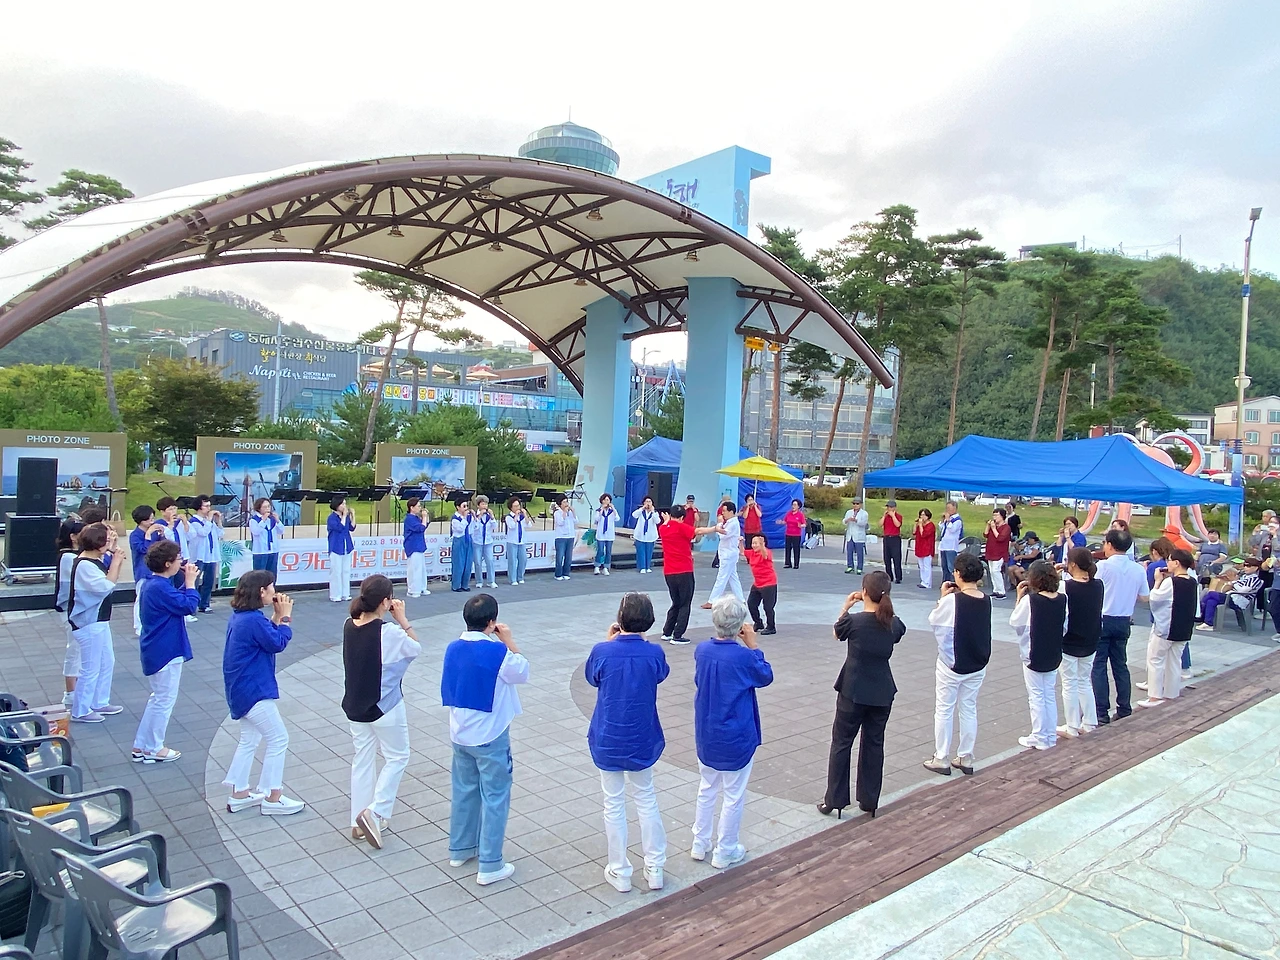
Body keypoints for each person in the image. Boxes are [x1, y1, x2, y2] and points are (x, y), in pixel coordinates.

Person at [441, 593, 530, 886]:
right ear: (492, 622)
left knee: (464, 790)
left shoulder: (453, 647)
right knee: (495, 796)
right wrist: (509, 641)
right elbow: (522, 671)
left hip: (460, 732)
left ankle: (461, 848)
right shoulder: (497, 652)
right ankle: (491, 863)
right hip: (490, 734)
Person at [585, 593, 670, 892]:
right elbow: (660, 675)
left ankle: (619, 869)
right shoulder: (654, 653)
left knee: (613, 802)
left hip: (608, 735)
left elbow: (592, 677)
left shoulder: (602, 651)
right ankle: (655, 866)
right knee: (646, 797)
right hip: (642, 735)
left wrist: (609, 641)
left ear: (619, 619)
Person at [693, 596, 774, 868]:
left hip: (707, 731)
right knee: (733, 793)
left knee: (707, 787)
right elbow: (765, 676)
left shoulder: (703, 650)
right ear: (740, 626)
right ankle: (725, 848)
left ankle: (700, 841)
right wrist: (754, 647)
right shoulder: (743, 657)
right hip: (736, 734)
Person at [342, 574, 421, 850]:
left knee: (363, 759)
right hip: (384, 705)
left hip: (354, 705)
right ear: (386, 601)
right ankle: (375, 813)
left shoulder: (349, 624)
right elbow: (415, 648)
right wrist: (403, 620)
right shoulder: (389, 632)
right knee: (398, 756)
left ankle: (357, 819)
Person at [819, 572, 906, 819]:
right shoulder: (894, 624)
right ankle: (869, 800)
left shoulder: (854, 622)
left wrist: (846, 607)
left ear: (864, 592)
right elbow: (895, 629)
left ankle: (835, 800)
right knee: (874, 744)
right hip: (882, 691)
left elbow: (837, 632)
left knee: (842, 743)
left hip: (853, 689)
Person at [222, 571, 301, 815]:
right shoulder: (253, 621)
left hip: (241, 689)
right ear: (261, 591)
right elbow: (276, 642)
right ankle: (273, 797)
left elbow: (267, 637)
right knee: (279, 739)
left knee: (250, 739)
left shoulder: (243, 617)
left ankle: (239, 792)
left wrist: (276, 617)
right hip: (254, 689)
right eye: (271, 587)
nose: (274, 592)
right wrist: (285, 618)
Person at [923, 553, 991, 777]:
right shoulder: (986, 599)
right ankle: (966, 755)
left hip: (953, 663)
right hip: (977, 661)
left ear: (959, 574)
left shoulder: (952, 601)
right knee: (968, 707)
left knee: (944, 708)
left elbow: (935, 621)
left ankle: (941, 757)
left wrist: (942, 598)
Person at [132, 540, 199, 763]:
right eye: (178, 559)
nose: (181, 562)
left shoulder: (154, 584)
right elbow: (188, 606)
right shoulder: (159, 587)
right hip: (166, 650)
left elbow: (176, 601)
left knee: (157, 698)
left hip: (158, 648)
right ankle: (154, 746)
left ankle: (142, 744)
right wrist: (190, 583)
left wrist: (186, 585)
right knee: (164, 700)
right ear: (168, 563)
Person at [67, 523, 125, 723]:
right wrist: (116, 562)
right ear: (97, 543)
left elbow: (109, 576)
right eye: (106, 540)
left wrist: (114, 555)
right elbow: (105, 586)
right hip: (88, 622)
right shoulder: (84, 565)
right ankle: (81, 710)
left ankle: (100, 701)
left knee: (107, 661)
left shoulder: (94, 560)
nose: (109, 543)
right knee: (90, 667)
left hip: (99, 620)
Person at [1092, 528, 1148, 725]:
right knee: (1120, 665)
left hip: (1103, 618)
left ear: (1109, 545)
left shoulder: (1103, 566)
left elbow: (1092, 588)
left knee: (1099, 665)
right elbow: (1144, 597)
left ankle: (1101, 712)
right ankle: (1124, 708)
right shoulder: (1138, 569)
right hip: (1124, 619)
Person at [1009, 560, 1067, 750]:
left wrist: (1019, 598)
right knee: (1048, 693)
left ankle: (1040, 736)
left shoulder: (1030, 601)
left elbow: (1016, 622)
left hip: (1034, 652)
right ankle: (1049, 735)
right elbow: (1065, 626)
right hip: (1054, 651)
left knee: (1036, 695)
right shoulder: (1062, 598)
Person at [1137, 549, 1197, 708]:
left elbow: (1155, 599)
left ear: (1176, 563)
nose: (1167, 564)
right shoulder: (1192, 581)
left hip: (1166, 628)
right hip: (1184, 628)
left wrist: (1157, 581)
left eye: (1170, 561)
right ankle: (1171, 693)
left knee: (1155, 660)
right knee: (1174, 661)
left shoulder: (1170, 582)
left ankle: (1154, 696)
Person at [1058, 547, 1102, 738]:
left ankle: (1072, 725)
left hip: (1070, 640)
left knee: (1069, 683)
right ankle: (1090, 721)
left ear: (1073, 564)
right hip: (1091, 638)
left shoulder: (1065, 587)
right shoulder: (1098, 584)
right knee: (1084, 680)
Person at [658, 506, 717, 645]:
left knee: (676, 602)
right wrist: (715, 528)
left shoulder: (663, 528)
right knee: (685, 603)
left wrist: (667, 521)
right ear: (682, 518)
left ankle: (667, 632)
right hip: (684, 570)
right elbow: (698, 531)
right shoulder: (681, 527)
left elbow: (666, 524)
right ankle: (677, 635)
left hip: (669, 572)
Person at [54, 519, 85, 708]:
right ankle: (70, 692)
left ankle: (76, 689)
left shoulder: (74, 556)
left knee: (79, 649)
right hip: (69, 609)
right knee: (74, 649)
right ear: (73, 537)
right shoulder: (68, 557)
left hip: (74, 608)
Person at [1198, 556, 1262, 629]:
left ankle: (1200, 612)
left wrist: (1234, 583)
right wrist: (1234, 582)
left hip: (1239, 600)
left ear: (1255, 568)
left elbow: (1243, 591)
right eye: (1244, 565)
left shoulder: (1254, 579)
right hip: (1232, 596)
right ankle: (1208, 623)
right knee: (1211, 601)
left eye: (1248, 566)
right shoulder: (1244, 576)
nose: (1245, 568)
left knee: (1211, 594)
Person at [701, 502, 744, 609]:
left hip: (728, 554)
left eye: (724, 511)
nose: (723, 513)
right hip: (728, 554)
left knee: (722, 578)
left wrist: (719, 524)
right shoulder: (730, 522)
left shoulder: (733, 523)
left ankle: (712, 600)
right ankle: (741, 599)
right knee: (733, 577)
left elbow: (723, 535)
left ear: (731, 512)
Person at [129, 505, 161, 638]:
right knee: (140, 598)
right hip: (143, 571)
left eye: (153, 518)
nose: (152, 522)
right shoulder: (135, 535)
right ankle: (138, 625)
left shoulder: (154, 532)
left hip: (156, 570)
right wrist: (148, 535)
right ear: (141, 520)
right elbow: (144, 550)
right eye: (149, 519)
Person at [188, 495, 224, 614]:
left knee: (209, 581)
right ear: (199, 507)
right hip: (199, 555)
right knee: (195, 580)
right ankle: (192, 605)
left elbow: (220, 534)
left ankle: (205, 604)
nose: (209, 508)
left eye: (209, 506)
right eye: (206, 506)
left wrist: (218, 521)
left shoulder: (210, 521)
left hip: (211, 554)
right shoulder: (194, 522)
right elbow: (203, 533)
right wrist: (209, 519)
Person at [745, 534, 778, 635]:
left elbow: (765, 555)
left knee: (768, 607)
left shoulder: (767, 552)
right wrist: (740, 542)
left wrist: (762, 546)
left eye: (756, 543)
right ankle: (758, 623)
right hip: (757, 583)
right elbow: (742, 552)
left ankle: (771, 627)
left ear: (762, 544)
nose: (754, 545)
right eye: (753, 543)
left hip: (769, 583)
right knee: (751, 604)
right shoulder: (752, 553)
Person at [327, 495, 357, 603]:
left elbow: (351, 528)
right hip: (336, 547)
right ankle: (335, 595)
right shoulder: (331, 518)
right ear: (337, 505)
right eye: (342, 504)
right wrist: (344, 516)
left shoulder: (346, 517)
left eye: (345, 503)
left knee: (346, 571)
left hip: (347, 546)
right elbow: (339, 527)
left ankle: (345, 593)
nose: (344, 506)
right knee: (336, 572)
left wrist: (353, 516)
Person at [470, 496, 499, 589]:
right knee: (478, 562)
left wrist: (492, 516)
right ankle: (479, 581)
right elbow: (474, 527)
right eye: (482, 504)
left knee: (490, 561)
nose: (485, 506)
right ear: (478, 506)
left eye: (486, 504)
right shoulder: (474, 515)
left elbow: (495, 527)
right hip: (477, 542)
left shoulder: (489, 516)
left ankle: (491, 581)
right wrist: (479, 517)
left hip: (488, 542)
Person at [403, 497, 430, 598]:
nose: (419, 508)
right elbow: (420, 528)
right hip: (413, 546)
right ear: (412, 507)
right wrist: (424, 517)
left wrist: (425, 517)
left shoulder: (415, 518)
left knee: (421, 569)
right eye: (418, 506)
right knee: (414, 569)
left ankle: (422, 587)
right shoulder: (409, 519)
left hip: (419, 545)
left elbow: (424, 525)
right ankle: (413, 590)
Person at [248, 498, 282, 575]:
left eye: (269, 506)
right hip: (260, 551)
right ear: (259, 508)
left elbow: (281, 531)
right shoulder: (254, 520)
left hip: (273, 550)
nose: (267, 509)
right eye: (264, 507)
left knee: (272, 574)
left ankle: (272, 583)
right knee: (260, 574)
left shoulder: (272, 519)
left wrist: (278, 521)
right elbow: (256, 532)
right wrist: (263, 520)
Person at [984, 508, 1012, 600]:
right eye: (994, 515)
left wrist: (993, 528)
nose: (994, 517)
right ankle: (995, 590)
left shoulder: (1006, 528)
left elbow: (1000, 538)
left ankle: (1001, 591)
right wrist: (988, 526)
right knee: (992, 571)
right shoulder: (993, 526)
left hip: (1000, 553)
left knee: (996, 571)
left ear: (1002, 516)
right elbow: (985, 534)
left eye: (997, 515)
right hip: (991, 551)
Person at [504, 498, 530, 585]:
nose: (517, 508)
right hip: (512, 541)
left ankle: (520, 577)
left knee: (523, 559)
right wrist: (515, 516)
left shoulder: (522, 517)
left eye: (518, 505)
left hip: (521, 541)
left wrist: (525, 514)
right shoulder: (508, 517)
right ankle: (512, 579)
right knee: (512, 561)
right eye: (515, 506)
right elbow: (512, 526)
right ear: (511, 507)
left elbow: (529, 525)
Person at [451, 499, 474, 592]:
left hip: (468, 539)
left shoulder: (469, 517)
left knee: (468, 563)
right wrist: (464, 518)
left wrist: (475, 517)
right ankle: (456, 585)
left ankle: (465, 584)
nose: (466, 508)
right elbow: (460, 529)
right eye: (464, 506)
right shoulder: (455, 518)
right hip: (459, 540)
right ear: (458, 507)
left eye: (467, 506)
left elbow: (474, 527)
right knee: (458, 564)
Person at [593, 494, 620, 576]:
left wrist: (613, 508)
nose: (606, 501)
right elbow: (597, 519)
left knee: (608, 551)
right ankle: (597, 566)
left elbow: (617, 518)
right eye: (604, 500)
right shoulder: (598, 511)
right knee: (600, 550)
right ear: (602, 501)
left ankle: (606, 567)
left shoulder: (612, 512)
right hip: (601, 534)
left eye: (608, 500)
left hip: (609, 534)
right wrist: (602, 509)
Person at [938, 501, 964, 584]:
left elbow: (952, 530)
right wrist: (943, 521)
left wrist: (949, 521)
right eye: (947, 508)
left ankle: (953, 582)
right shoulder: (948, 519)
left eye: (949, 508)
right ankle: (945, 582)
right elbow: (942, 529)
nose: (947, 510)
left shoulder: (957, 520)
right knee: (944, 566)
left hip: (951, 546)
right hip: (944, 545)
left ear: (955, 508)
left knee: (951, 566)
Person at [552, 495, 577, 581]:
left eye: (567, 501)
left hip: (570, 536)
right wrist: (564, 513)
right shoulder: (557, 513)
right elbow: (560, 523)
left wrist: (573, 512)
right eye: (564, 502)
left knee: (568, 556)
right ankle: (558, 574)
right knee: (560, 556)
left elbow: (576, 521)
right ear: (560, 504)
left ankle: (566, 573)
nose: (566, 504)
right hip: (561, 537)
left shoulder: (570, 512)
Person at [632, 496, 659, 575]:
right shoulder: (640, 511)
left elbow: (657, 521)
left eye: (650, 502)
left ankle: (648, 567)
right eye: (646, 501)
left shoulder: (655, 513)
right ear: (643, 503)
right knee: (641, 552)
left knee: (649, 552)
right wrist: (642, 508)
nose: (648, 503)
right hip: (640, 535)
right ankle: (642, 567)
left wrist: (653, 512)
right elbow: (634, 515)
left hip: (650, 535)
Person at [842, 499, 869, 575]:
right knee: (849, 551)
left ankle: (859, 568)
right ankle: (850, 566)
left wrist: (856, 520)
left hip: (859, 535)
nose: (855, 505)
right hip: (850, 535)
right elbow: (843, 521)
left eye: (857, 504)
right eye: (854, 503)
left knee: (860, 553)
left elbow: (864, 523)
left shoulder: (864, 513)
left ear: (860, 505)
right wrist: (847, 520)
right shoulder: (849, 512)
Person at [881, 500, 904, 584]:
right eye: (888, 507)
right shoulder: (886, 516)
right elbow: (880, 524)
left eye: (890, 507)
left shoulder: (898, 516)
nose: (889, 509)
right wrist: (884, 516)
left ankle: (898, 577)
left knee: (896, 558)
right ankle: (889, 576)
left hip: (895, 538)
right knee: (887, 559)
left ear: (894, 508)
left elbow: (898, 525)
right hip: (887, 538)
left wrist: (893, 516)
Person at [913, 509, 936, 590]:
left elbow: (923, 534)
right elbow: (914, 532)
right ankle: (923, 581)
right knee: (921, 566)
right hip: (920, 547)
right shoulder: (920, 524)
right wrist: (916, 524)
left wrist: (920, 525)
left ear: (928, 516)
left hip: (927, 547)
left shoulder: (931, 525)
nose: (922, 517)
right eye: (921, 515)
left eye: (924, 515)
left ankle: (927, 583)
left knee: (927, 566)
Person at [782, 499, 806, 569]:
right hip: (788, 533)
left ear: (798, 506)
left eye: (795, 505)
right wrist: (781, 522)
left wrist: (800, 526)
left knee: (796, 549)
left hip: (796, 535)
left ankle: (796, 564)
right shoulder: (789, 513)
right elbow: (785, 521)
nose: (793, 506)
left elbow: (804, 524)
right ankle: (788, 563)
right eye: (792, 505)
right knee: (787, 549)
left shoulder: (800, 515)